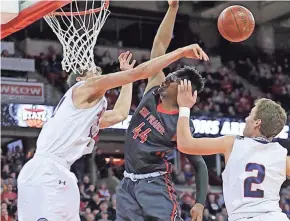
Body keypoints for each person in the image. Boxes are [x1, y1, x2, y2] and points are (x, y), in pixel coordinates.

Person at [17, 41, 206, 221]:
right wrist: (181, 52)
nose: (98, 71)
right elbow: (142, 72)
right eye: (93, 71)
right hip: (44, 171)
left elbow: (120, 114)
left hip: (62, 174)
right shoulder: (83, 89)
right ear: (81, 79)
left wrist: (126, 75)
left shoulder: (84, 115)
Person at [116, 1, 209, 221]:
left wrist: (200, 202)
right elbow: (159, 45)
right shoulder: (154, 89)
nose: (169, 77)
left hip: (154, 185)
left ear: (186, 90)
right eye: (172, 74)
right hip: (128, 183)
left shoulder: (181, 123)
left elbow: (199, 164)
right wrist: (173, 8)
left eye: (176, 79)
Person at [176, 80, 289, 221]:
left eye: (250, 114)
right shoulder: (282, 155)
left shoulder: (233, 143)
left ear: (257, 122)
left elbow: (185, 144)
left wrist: (184, 108)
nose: (246, 118)